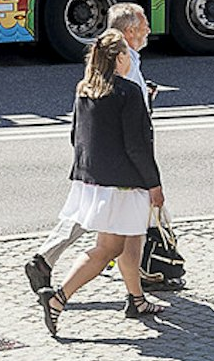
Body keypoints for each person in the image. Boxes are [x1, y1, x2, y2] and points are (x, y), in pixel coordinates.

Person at [33, 28, 165, 337]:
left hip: (94, 181)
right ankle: (58, 298)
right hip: (124, 184)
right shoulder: (129, 92)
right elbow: (137, 146)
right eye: (127, 56)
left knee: (129, 240)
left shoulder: (85, 89)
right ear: (120, 58)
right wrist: (154, 185)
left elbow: (75, 136)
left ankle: (136, 300)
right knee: (108, 248)